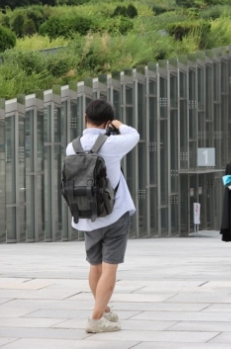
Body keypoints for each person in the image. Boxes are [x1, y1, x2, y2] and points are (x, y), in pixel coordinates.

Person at [65, 99, 139, 333]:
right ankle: (96, 319)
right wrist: (119, 124)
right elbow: (134, 135)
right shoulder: (112, 143)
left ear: (85, 117)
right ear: (107, 122)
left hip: (86, 215)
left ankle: (104, 310)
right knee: (110, 268)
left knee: (95, 266)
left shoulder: (72, 146)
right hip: (114, 213)